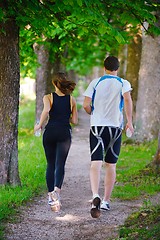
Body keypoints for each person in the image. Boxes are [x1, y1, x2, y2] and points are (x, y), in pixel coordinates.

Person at [83, 56, 134, 218]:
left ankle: (95, 195)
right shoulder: (123, 83)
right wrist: (129, 122)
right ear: (117, 68)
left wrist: (93, 113)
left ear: (104, 67)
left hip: (97, 127)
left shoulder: (95, 82)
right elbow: (127, 99)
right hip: (115, 128)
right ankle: (105, 201)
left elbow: (85, 104)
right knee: (110, 165)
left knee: (95, 163)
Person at [34, 72, 78, 212]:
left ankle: (50, 197)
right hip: (64, 133)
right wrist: (66, 117)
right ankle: (57, 193)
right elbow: (75, 121)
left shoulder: (48, 97)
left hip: (50, 132)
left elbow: (46, 111)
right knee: (60, 164)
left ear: (54, 83)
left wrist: (39, 125)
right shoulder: (72, 99)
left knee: (50, 164)